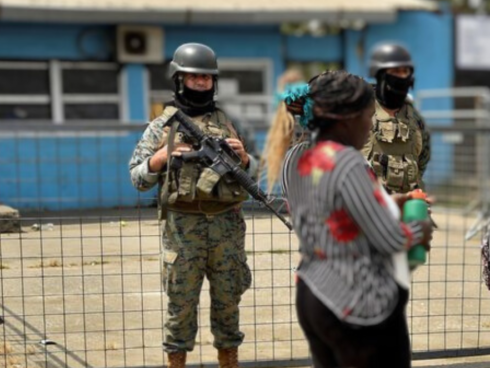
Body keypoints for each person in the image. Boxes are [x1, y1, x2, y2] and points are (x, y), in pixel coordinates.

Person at [278, 70, 433, 368]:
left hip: (313, 290)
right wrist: (418, 226)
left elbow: (335, 213)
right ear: (347, 119)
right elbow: (392, 240)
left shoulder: (295, 157)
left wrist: (392, 202)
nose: (370, 123)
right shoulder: (348, 161)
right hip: (354, 300)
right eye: (367, 115)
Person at [129, 43, 257, 368]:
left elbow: (254, 171)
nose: (201, 83)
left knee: (228, 304)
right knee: (181, 307)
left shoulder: (231, 122)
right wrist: (157, 160)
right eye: (194, 77)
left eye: (206, 78)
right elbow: (137, 178)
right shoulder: (161, 126)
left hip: (227, 231)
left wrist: (244, 159)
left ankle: (229, 361)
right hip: (182, 233)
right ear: (179, 80)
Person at [362, 43, 431, 193]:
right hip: (367, 204)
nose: (401, 77)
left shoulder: (415, 118)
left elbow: (423, 159)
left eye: (404, 72)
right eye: (395, 71)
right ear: (380, 75)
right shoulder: (360, 111)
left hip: (408, 205)